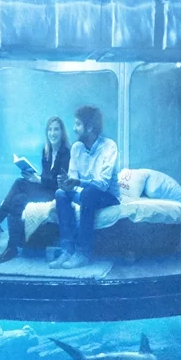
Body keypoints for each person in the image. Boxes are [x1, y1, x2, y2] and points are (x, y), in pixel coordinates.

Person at [0, 116, 71, 263]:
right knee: (18, 199)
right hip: (46, 189)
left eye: (56, 129)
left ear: (62, 132)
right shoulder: (46, 151)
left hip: (57, 194)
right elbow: (46, 177)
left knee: (19, 183)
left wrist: (38, 180)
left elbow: (59, 183)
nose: (52, 133)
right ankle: (11, 247)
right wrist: (33, 176)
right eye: (50, 130)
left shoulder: (66, 153)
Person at [51, 104, 120, 269]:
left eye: (78, 124)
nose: (74, 129)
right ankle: (67, 250)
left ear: (89, 127)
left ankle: (83, 253)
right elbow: (73, 178)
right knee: (60, 193)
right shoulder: (76, 148)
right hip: (84, 193)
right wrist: (67, 184)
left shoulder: (109, 147)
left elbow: (103, 184)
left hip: (108, 197)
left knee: (89, 193)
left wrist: (77, 183)